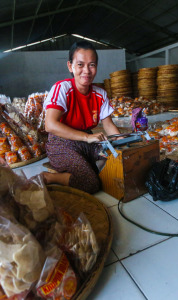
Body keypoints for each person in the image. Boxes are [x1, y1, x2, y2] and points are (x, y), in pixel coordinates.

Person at [42, 41, 121, 194]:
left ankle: (84, 166)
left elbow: (109, 125)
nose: (86, 70)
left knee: (116, 159)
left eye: (91, 65)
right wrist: (85, 137)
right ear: (70, 66)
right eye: (80, 65)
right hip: (61, 143)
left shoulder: (100, 93)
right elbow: (50, 125)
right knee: (90, 184)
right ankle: (51, 178)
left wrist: (122, 145)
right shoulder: (62, 88)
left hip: (87, 141)